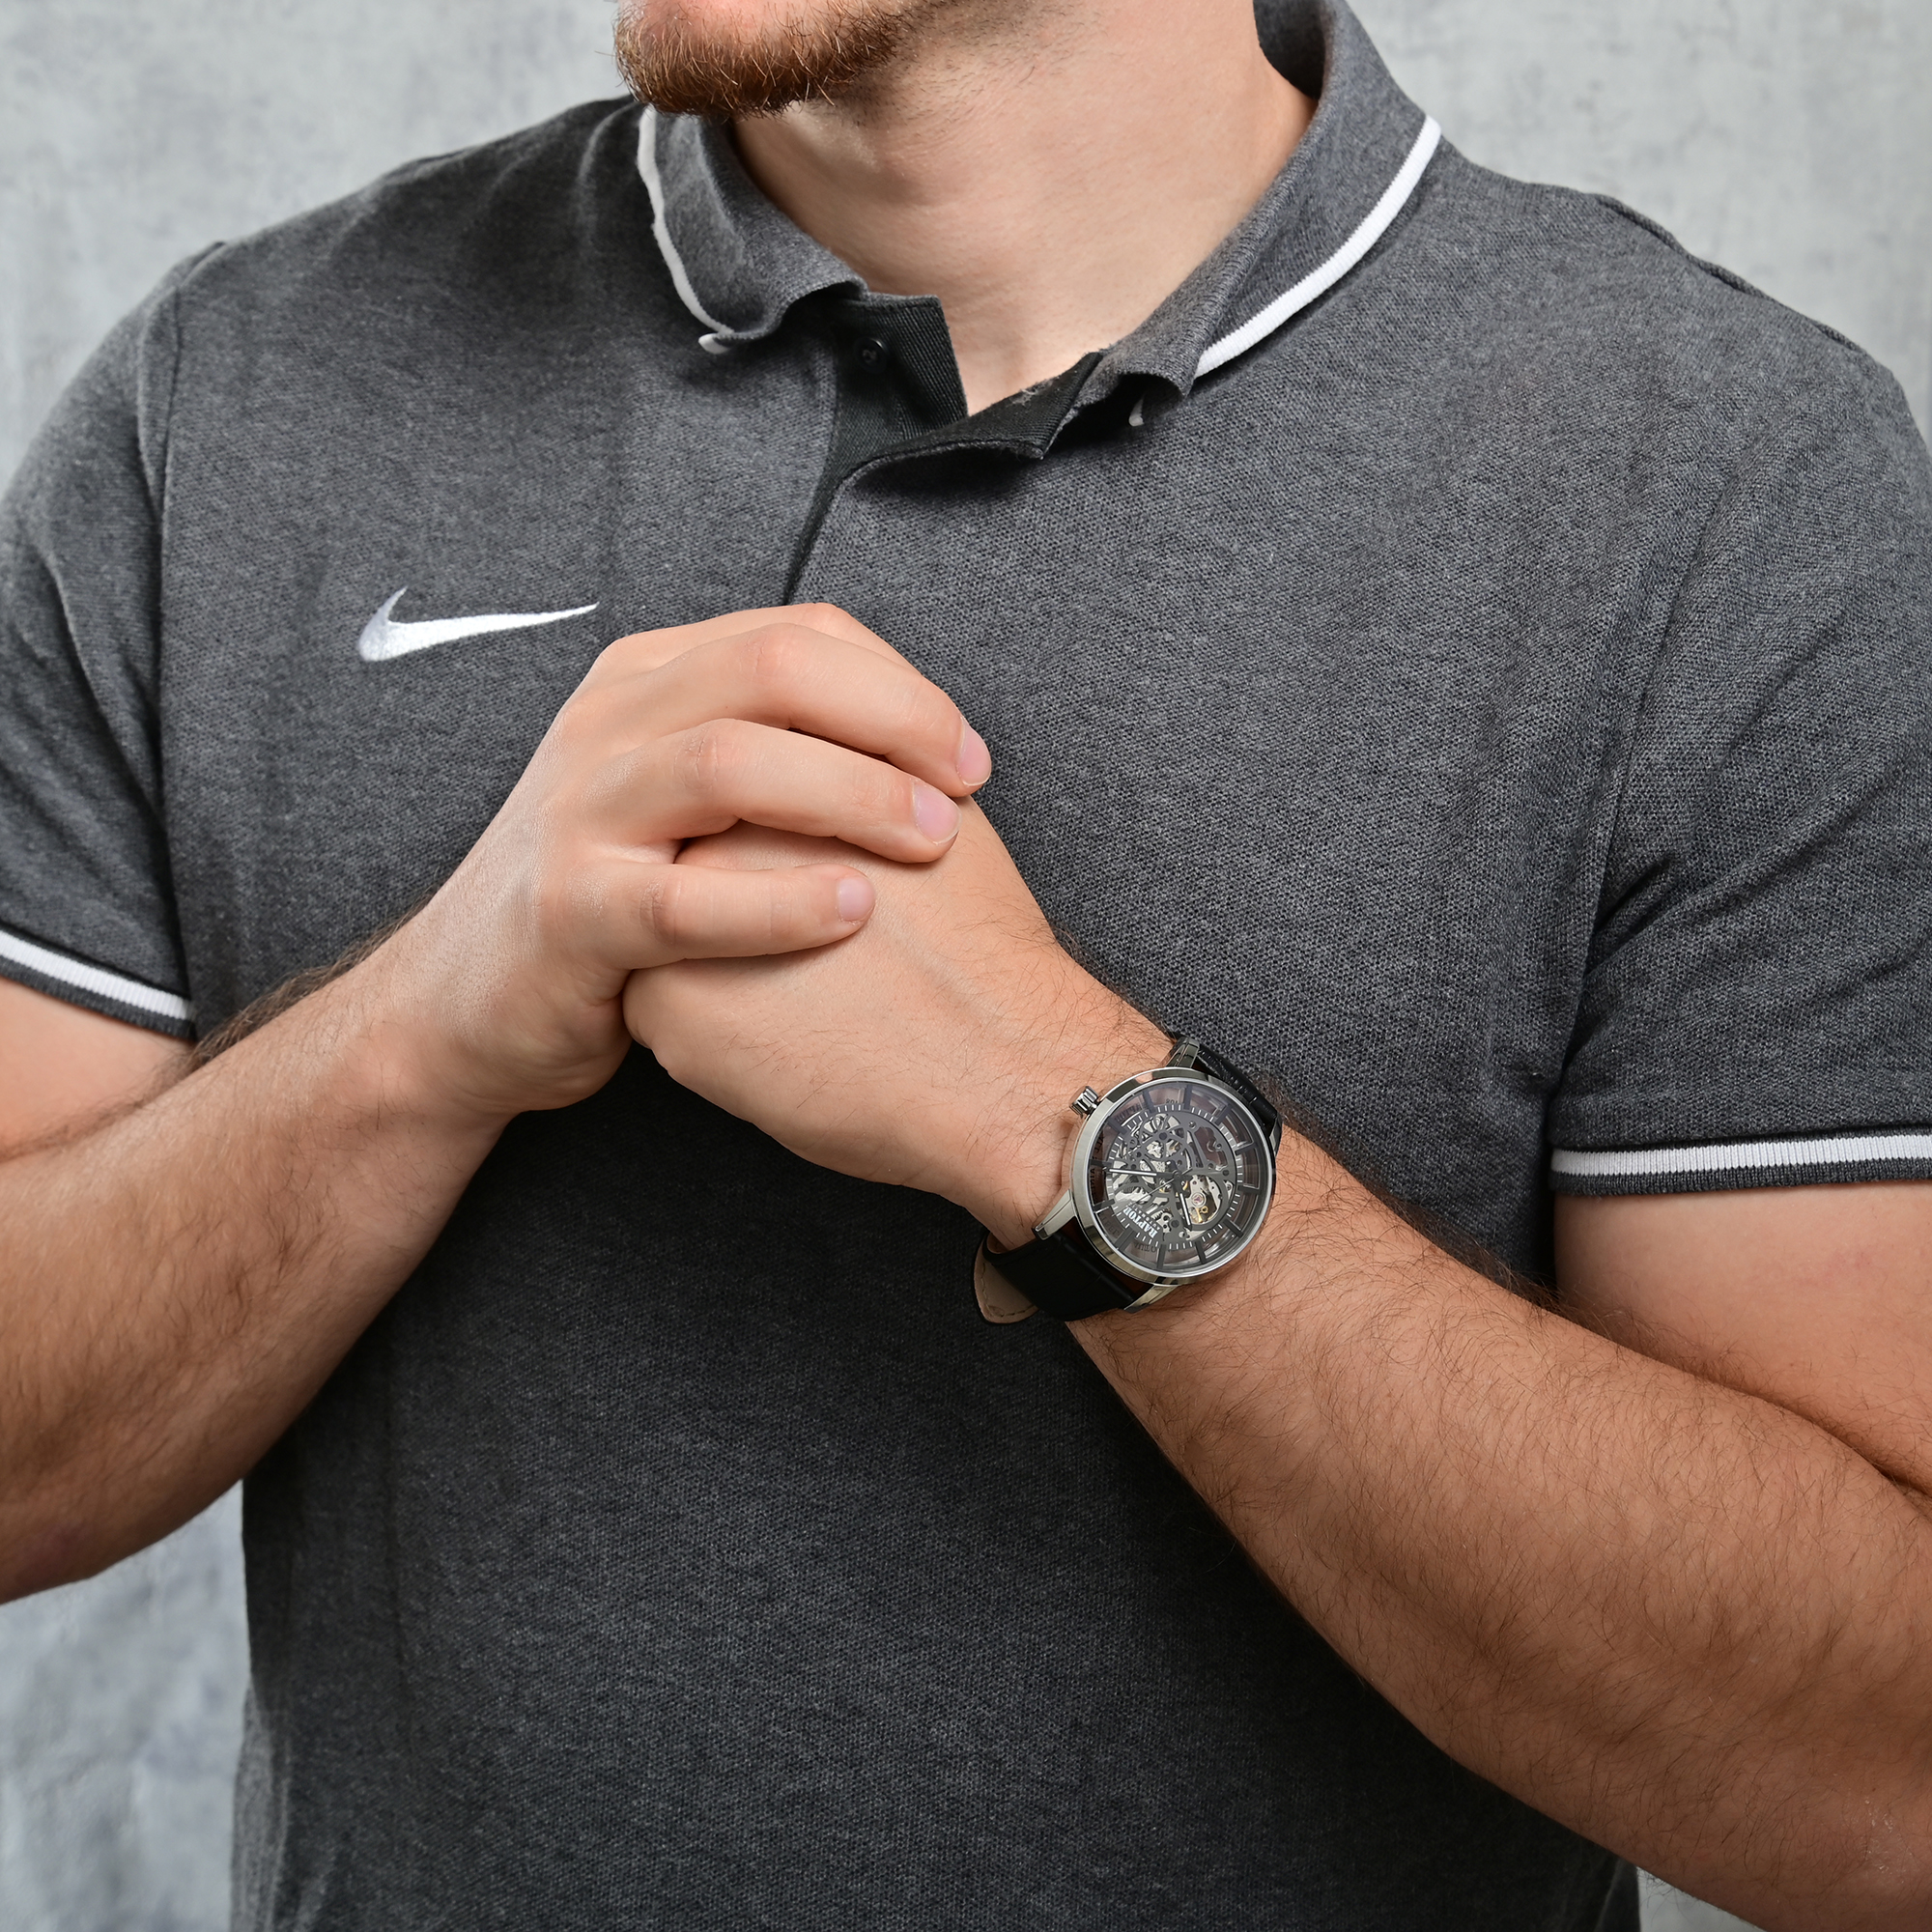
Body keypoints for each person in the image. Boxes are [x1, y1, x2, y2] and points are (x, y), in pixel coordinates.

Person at [2, 0, 1929, 1923]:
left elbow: (1880, 1789)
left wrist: (1071, 1126)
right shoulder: (230, 392)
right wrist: (427, 1026)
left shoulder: (1726, 494)